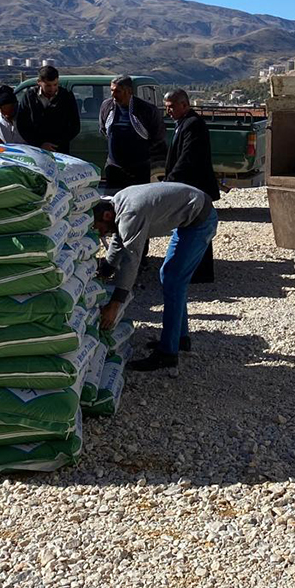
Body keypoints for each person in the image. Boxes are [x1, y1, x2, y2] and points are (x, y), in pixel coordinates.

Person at [93, 183, 217, 372]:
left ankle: (168, 354)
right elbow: (120, 239)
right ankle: (180, 339)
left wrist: (115, 304)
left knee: (173, 281)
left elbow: (131, 260)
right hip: (188, 218)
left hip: (199, 220)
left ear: (107, 216)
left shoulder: (130, 213)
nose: (99, 233)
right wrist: (106, 270)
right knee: (169, 277)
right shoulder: (118, 203)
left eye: (98, 228)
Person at [163, 88, 219, 284]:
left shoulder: (193, 124)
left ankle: (201, 272)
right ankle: (195, 269)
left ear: (184, 105)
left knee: (199, 226)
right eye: (166, 108)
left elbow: (188, 157)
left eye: (171, 107)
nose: (168, 111)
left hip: (196, 186)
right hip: (188, 186)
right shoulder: (182, 124)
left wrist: (170, 181)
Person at [99, 75, 166, 190]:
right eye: (112, 90)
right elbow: (103, 130)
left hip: (139, 170)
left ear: (129, 91)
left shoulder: (147, 110)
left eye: (118, 91)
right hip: (114, 168)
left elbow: (158, 138)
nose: (113, 95)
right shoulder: (107, 106)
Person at [15, 65, 80, 153]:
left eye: (55, 85)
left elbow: (74, 125)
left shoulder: (66, 96)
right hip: (37, 149)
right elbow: (22, 124)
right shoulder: (30, 97)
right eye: (48, 85)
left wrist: (57, 143)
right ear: (39, 82)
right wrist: (39, 144)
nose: (52, 89)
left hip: (60, 150)